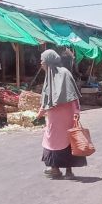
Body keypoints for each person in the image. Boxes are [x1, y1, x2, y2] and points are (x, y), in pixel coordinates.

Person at [36, 49, 86, 179]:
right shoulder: (49, 75)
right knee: (52, 139)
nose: (41, 63)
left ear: (49, 61)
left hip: (66, 114)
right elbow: (47, 97)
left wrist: (76, 111)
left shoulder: (64, 73)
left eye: (43, 60)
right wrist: (41, 112)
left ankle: (68, 171)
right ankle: (55, 169)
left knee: (68, 139)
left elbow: (73, 96)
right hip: (53, 115)